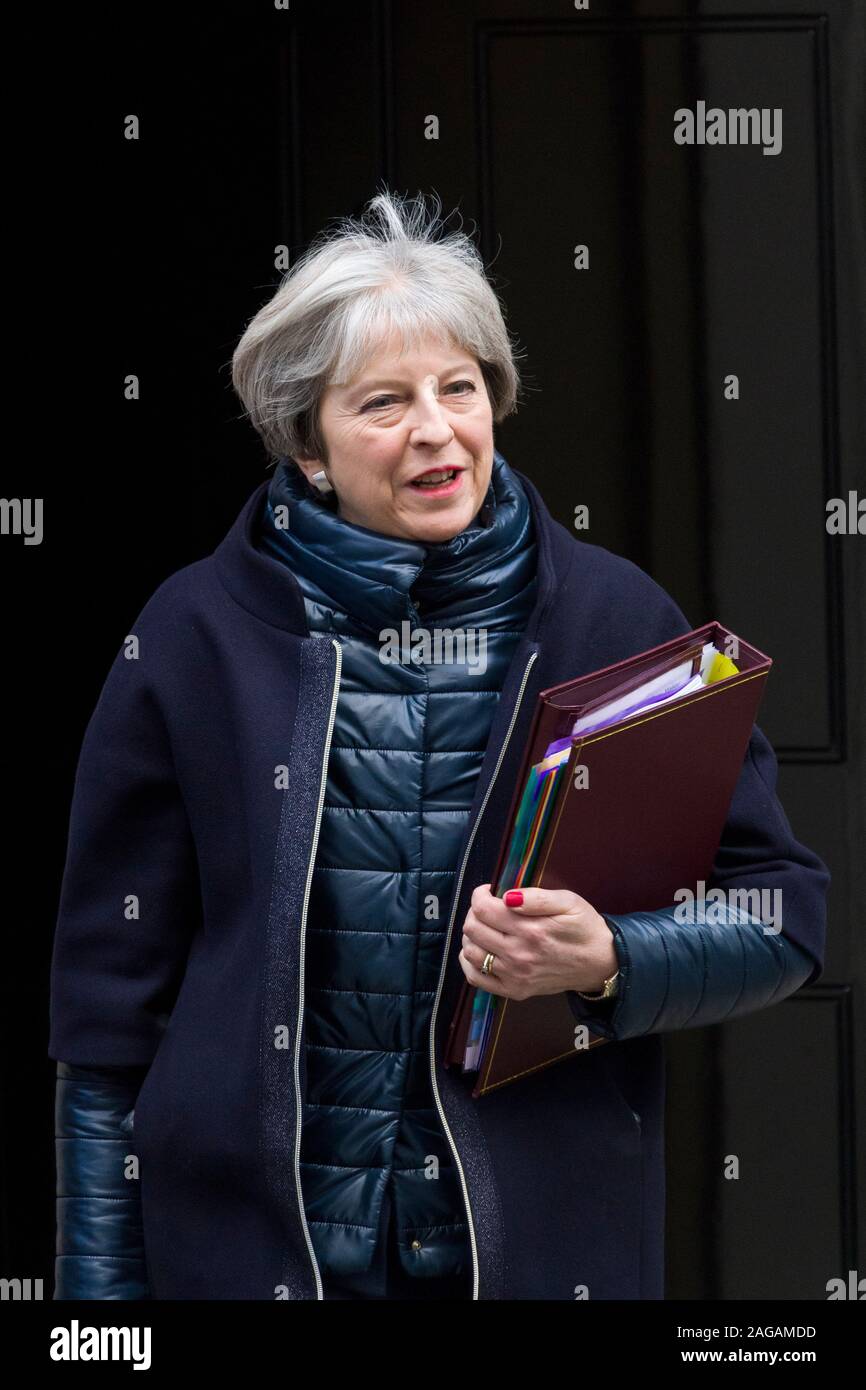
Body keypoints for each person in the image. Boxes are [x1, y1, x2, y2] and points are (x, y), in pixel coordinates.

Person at [49, 188, 829, 1301]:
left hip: (536, 1254)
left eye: (458, 388)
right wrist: (100, 1319)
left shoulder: (615, 624)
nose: (434, 429)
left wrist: (610, 958)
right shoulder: (192, 636)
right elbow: (105, 1015)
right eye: (381, 402)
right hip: (245, 1257)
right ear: (305, 442)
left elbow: (780, 912)